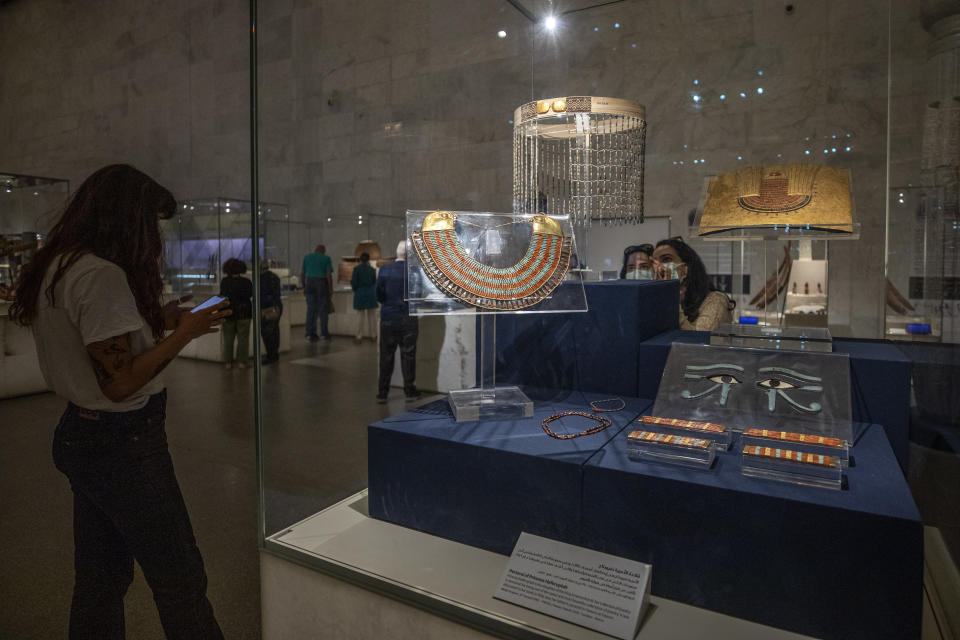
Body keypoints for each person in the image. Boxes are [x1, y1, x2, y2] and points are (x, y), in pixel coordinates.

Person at [9, 164, 227, 639]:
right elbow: (121, 383)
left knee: (100, 580)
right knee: (179, 580)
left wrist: (157, 321)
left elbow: (95, 341)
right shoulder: (101, 275)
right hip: (123, 442)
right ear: (127, 218)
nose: (153, 236)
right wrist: (183, 335)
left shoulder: (60, 263)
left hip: (82, 435)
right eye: (150, 222)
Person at [652, 236, 733, 331]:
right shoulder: (658, 300)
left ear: (686, 267)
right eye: (654, 263)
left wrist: (670, 295)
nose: (659, 267)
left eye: (666, 259)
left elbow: (698, 340)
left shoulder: (716, 300)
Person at [376, 240, 420, 403]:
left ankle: (382, 392)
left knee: (386, 356)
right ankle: (409, 391)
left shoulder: (384, 270)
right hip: (408, 318)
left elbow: (379, 294)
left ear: (397, 254)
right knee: (408, 355)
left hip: (388, 317)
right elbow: (419, 293)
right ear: (408, 254)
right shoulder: (413, 271)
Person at [219, 257, 253, 369]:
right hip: (244, 313)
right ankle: (242, 362)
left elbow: (222, 296)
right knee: (243, 339)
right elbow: (249, 295)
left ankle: (228, 362)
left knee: (228, 339)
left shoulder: (224, 282)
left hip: (228, 313)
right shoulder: (246, 282)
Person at [301, 243, 333, 341]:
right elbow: (328, 274)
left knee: (311, 309)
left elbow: (302, 273)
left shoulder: (307, 257)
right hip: (321, 283)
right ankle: (324, 333)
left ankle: (310, 333)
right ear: (323, 251)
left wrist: (304, 286)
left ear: (315, 250)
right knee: (323, 310)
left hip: (309, 282)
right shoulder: (326, 258)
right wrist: (331, 288)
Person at [350, 252, 378, 343]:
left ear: (360, 259)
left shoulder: (356, 269)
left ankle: (358, 337)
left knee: (359, 317)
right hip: (371, 294)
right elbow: (375, 282)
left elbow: (354, 282)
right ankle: (373, 336)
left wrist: (356, 290)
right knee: (372, 317)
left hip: (360, 294)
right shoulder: (372, 270)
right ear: (368, 260)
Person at [259, 261, 283, 364]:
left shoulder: (260, 279)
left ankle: (270, 355)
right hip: (276, 307)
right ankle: (274, 354)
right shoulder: (275, 277)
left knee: (266, 333)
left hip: (266, 308)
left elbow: (262, 295)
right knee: (274, 331)